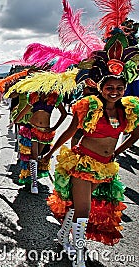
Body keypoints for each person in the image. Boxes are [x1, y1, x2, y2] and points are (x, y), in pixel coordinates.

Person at [43, 33, 139, 267]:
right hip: (83, 161)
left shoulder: (129, 110)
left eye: (119, 87)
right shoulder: (89, 106)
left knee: (78, 207)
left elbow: (136, 134)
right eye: (109, 87)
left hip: (105, 166)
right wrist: (50, 152)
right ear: (101, 87)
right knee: (84, 210)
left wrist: (117, 152)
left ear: (124, 89)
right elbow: (69, 131)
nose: (114, 91)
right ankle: (78, 252)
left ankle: (62, 235)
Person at [9, 91, 67, 194]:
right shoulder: (33, 96)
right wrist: (14, 121)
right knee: (34, 155)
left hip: (45, 132)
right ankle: (34, 183)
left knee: (38, 155)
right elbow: (24, 110)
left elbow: (64, 114)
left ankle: (33, 175)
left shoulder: (55, 97)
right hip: (32, 128)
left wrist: (55, 127)